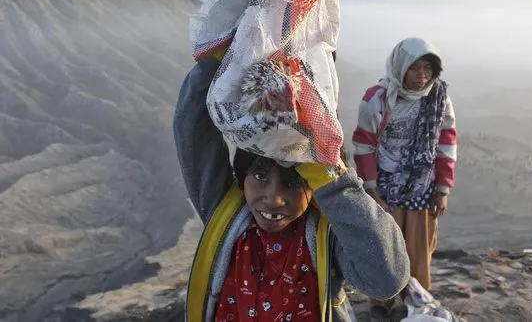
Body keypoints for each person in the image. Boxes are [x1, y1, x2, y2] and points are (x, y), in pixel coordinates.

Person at [173, 52, 410, 322]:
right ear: (242, 178)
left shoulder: (327, 238)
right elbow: (192, 130)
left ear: (315, 187)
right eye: (260, 176)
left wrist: (326, 173)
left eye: (293, 182)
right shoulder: (228, 218)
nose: (274, 199)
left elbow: (387, 279)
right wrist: (223, 58)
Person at [352, 37, 457, 299]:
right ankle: (384, 301)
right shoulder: (377, 99)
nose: (422, 76)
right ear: (400, 66)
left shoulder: (438, 99)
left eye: (428, 69)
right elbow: (364, 146)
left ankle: (416, 301)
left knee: (419, 250)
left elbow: (446, 143)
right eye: (415, 68)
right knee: (386, 249)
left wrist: (442, 189)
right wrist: (373, 192)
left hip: (423, 187)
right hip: (385, 189)